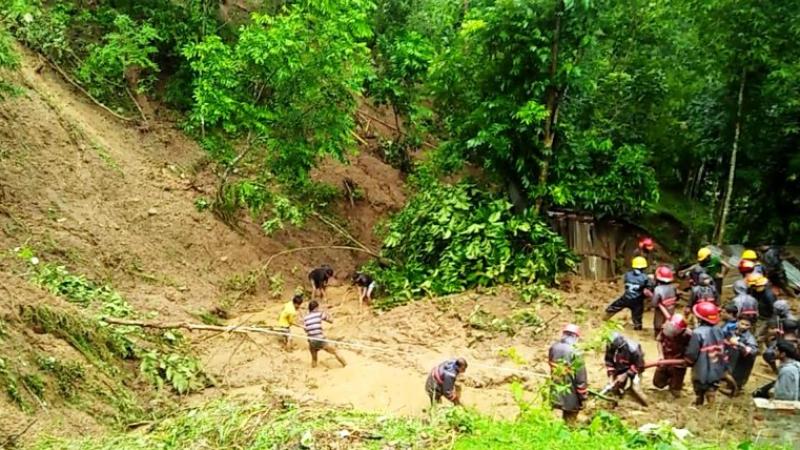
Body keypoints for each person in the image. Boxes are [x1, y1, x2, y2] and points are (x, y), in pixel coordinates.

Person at [684, 301, 727, 406]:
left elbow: (692, 352)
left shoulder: (698, 333)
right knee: (712, 386)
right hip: (717, 366)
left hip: (702, 367)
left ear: (699, 318)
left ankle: (699, 402)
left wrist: (688, 361)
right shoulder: (719, 330)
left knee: (700, 386)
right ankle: (711, 405)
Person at [548, 324, 588, 423]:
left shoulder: (554, 347)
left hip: (555, 389)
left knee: (554, 417)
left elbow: (551, 364)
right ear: (575, 337)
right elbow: (580, 377)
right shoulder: (576, 352)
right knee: (570, 419)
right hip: (571, 392)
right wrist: (583, 396)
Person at [605, 257, 653, 331]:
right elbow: (649, 289)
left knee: (613, 307)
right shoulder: (646, 278)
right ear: (644, 267)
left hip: (626, 298)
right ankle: (637, 327)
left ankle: (604, 318)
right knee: (637, 316)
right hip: (637, 300)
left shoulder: (627, 275)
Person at [654, 314, 691, 398]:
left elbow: (694, 350)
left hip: (678, 363)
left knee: (675, 392)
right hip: (665, 359)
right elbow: (659, 341)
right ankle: (671, 381)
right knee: (657, 383)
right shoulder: (665, 328)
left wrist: (687, 359)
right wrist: (660, 355)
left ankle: (676, 384)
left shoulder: (689, 335)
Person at [604, 332, 647, 405]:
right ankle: (617, 403)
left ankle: (646, 404)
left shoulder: (634, 349)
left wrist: (625, 374)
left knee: (636, 389)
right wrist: (611, 375)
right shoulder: (611, 345)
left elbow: (640, 366)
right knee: (615, 387)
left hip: (634, 369)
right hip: (621, 367)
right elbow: (609, 360)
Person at [303, 300, 346, 368]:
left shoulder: (305, 318)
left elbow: (306, 329)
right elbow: (331, 321)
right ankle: (346, 365)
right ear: (316, 308)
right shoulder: (319, 314)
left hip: (311, 341)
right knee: (335, 351)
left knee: (314, 359)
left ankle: (314, 370)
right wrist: (327, 313)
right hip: (320, 339)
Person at [725, 318, 758, 391]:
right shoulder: (732, 331)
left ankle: (736, 390)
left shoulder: (750, 338)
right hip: (732, 356)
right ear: (737, 323)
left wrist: (738, 344)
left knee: (739, 375)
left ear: (750, 327)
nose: (743, 326)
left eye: (747, 325)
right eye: (742, 324)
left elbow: (753, 351)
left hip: (743, 360)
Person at [652, 265, 678, 338]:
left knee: (658, 322)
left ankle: (657, 335)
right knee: (669, 321)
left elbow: (654, 303)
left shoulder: (658, 289)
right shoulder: (673, 287)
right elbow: (676, 297)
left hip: (661, 309)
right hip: (671, 307)